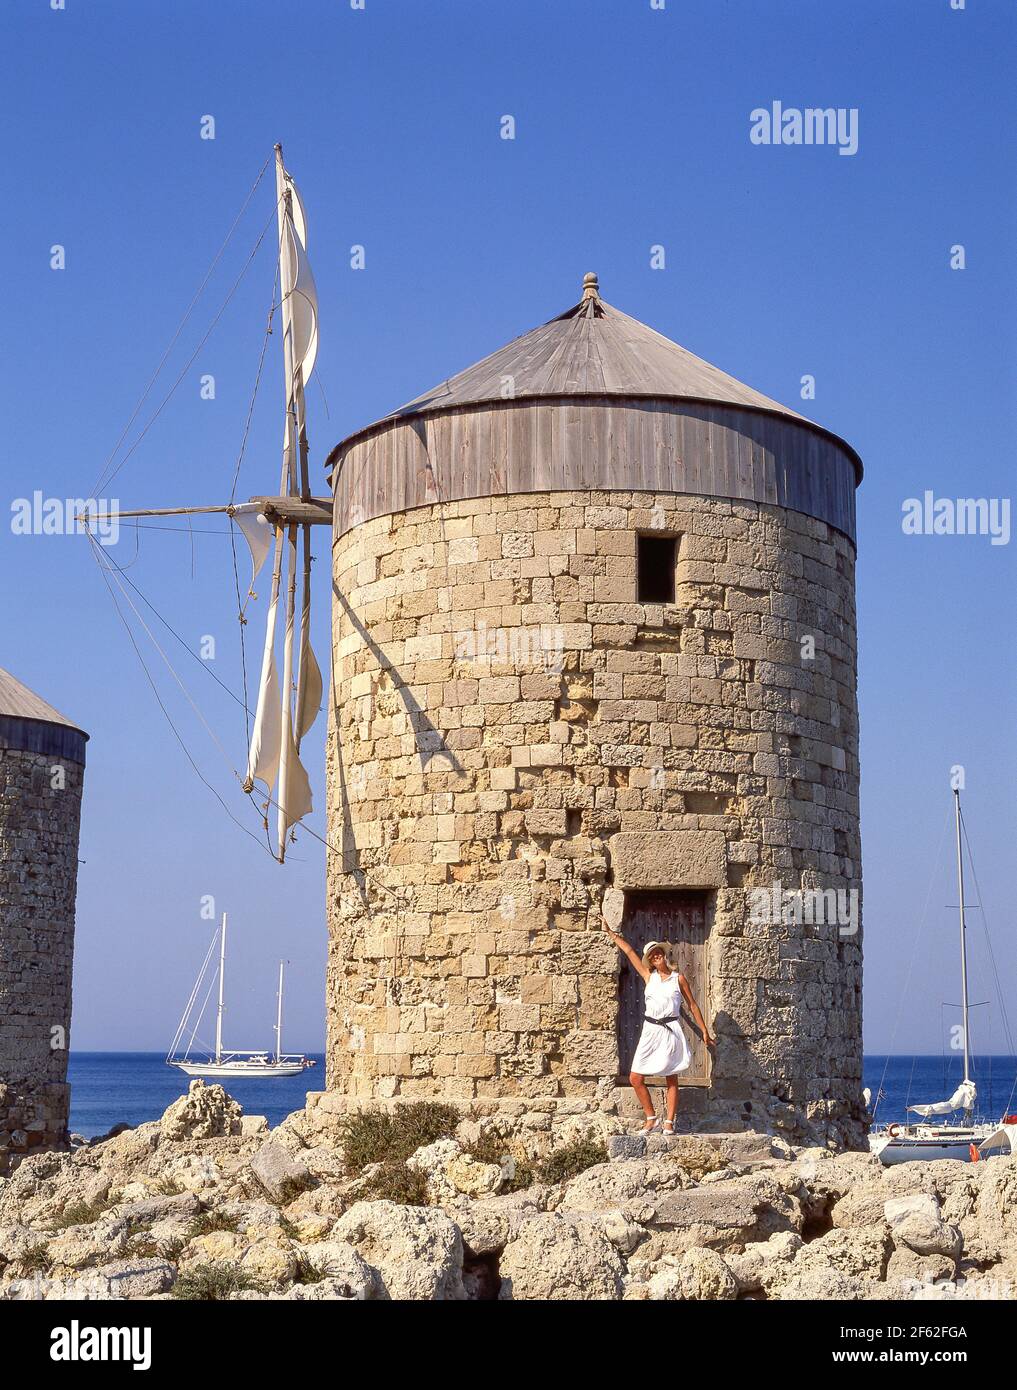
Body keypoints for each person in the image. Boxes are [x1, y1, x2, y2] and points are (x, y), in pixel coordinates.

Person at [603, 925, 714, 1135]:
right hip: (650, 1030)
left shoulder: (678, 979)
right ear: (650, 960)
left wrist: (704, 1031)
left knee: (671, 1077)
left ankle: (669, 1122)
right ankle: (651, 1118)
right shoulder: (648, 976)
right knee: (636, 1077)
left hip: (670, 1029)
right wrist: (611, 933)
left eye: (658, 952)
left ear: (663, 954)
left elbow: (692, 1005)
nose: (656, 956)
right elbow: (628, 951)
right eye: (652, 954)